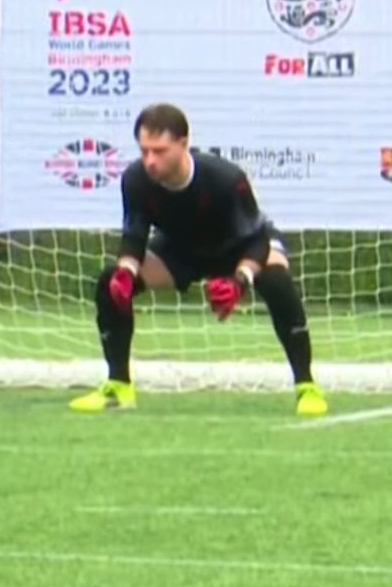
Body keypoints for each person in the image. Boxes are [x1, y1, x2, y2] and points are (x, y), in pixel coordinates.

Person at [71, 103, 328, 417]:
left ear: (182, 143)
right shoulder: (136, 179)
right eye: (145, 151)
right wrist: (126, 272)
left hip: (241, 247)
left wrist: (240, 281)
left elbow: (257, 240)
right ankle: (118, 386)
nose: (150, 160)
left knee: (276, 279)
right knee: (109, 281)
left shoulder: (226, 179)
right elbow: (135, 236)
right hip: (180, 250)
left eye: (160, 151)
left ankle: (306, 386)